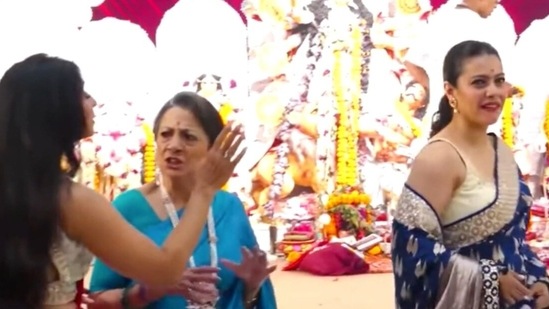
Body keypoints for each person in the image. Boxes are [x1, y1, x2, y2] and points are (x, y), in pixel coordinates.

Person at [0, 54, 245, 308]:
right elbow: (165, 270)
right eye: (83, 94)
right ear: (56, 109)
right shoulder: (70, 200)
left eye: (188, 137)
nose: (93, 101)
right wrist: (204, 190)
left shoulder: (20, 187)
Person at [391, 41, 549, 308]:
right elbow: (410, 250)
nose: (493, 92)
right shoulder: (440, 158)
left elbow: (514, 242)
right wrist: (490, 278)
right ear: (450, 92)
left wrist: (541, 282)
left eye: (499, 81)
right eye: (479, 83)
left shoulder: (501, 150)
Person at [89, 92, 277, 309]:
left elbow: (246, 300)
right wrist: (150, 290)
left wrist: (251, 287)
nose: (174, 145)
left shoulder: (229, 208)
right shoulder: (128, 208)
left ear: (213, 147)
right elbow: (96, 300)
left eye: (188, 137)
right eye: (166, 134)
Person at [404, 0, 516, 133]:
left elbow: (412, 61)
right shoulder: (448, 16)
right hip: (469, 129)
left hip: (447, 123)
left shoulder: (499, 19)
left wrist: (440, 90)